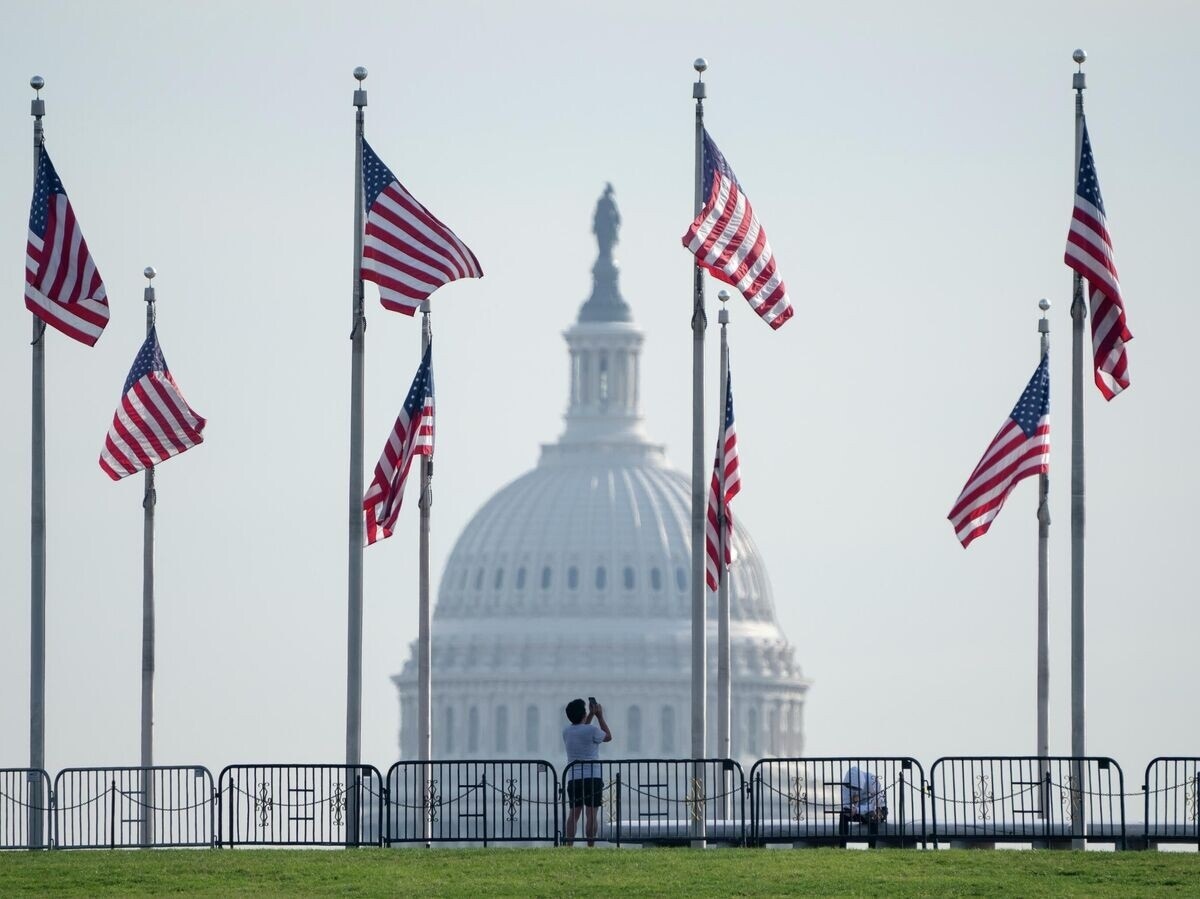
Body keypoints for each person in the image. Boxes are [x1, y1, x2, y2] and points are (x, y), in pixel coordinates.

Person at [562, 697, 612, 846]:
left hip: (574, 777)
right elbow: (608, 737)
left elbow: (582, 729)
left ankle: (569, 845)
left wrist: (589, 715)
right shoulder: (592, 730)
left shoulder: (567, 731)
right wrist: (599, 716)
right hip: (592, 777)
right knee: (591, 814)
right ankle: (591, 846)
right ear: (583, 714)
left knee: (573, 814)